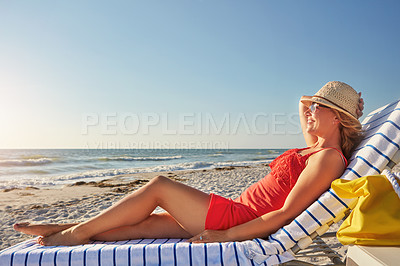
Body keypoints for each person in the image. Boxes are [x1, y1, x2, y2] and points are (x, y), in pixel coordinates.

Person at [14, 81, 364, 246]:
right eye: (314, 106)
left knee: (160, 186)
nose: (311, 111)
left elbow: (286, 213)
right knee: (140, 226)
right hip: (232, 207)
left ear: (338, 119)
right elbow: (302, 109)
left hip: (237, 218)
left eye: (321, 108)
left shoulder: (329, 158)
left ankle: (74, 232)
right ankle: (70, 229)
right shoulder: (314, 146)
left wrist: (225, 235)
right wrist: (319, 100)